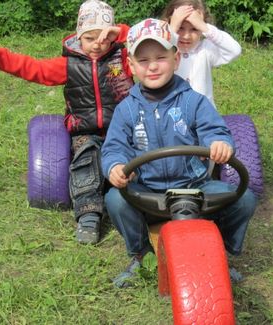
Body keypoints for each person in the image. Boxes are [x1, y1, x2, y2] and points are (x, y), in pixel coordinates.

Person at [101, 18, 257, 288]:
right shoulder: (126, 109)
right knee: (115, 199)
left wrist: (219, 143)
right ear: (131, 66)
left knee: (244, 199)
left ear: (176, 58)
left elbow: (215, 129)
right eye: (144, 60)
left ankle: (223, 254)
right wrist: (115, 166)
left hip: (194, 187)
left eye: (161, 57)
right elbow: (114, 146)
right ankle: (140, 255)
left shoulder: (193, 100)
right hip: (148, 191)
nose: (152, 66)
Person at [0, 0, 134, 245]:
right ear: (78, 36)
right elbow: (33, 68)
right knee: (87, 160)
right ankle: (88, 214)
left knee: (134, 159)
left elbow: (143, 39)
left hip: (121, 129)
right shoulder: (68, 65)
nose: (98, 44)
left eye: (105, 38)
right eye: (90, 38)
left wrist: (122, 32)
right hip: (86, 131)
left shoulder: (124, 60)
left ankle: (136, 202)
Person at [161, 0, 242, 108]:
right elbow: (156, 52)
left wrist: (204, 26)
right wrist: (172, 28)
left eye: (194, 29)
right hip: (173, 114)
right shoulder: (167, 49)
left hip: (204, 115)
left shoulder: (206, 49)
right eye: (180, 27)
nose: (186, 36)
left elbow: (234, 50)